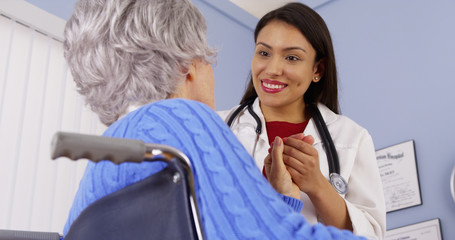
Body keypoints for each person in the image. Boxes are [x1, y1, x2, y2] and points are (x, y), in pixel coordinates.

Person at [62, 0, 366, 239]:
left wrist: (279, 204)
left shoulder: (103, 160)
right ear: (189, 67)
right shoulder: (184, 118)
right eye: (208, 61)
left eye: (291, 57)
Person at [218, 2, 386, 239]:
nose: (273, 69)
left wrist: (317, 185)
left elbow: (370, 235)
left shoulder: (350, 138)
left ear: (317, 69)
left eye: (292, 58)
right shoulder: (217, 127)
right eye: (264, 53)